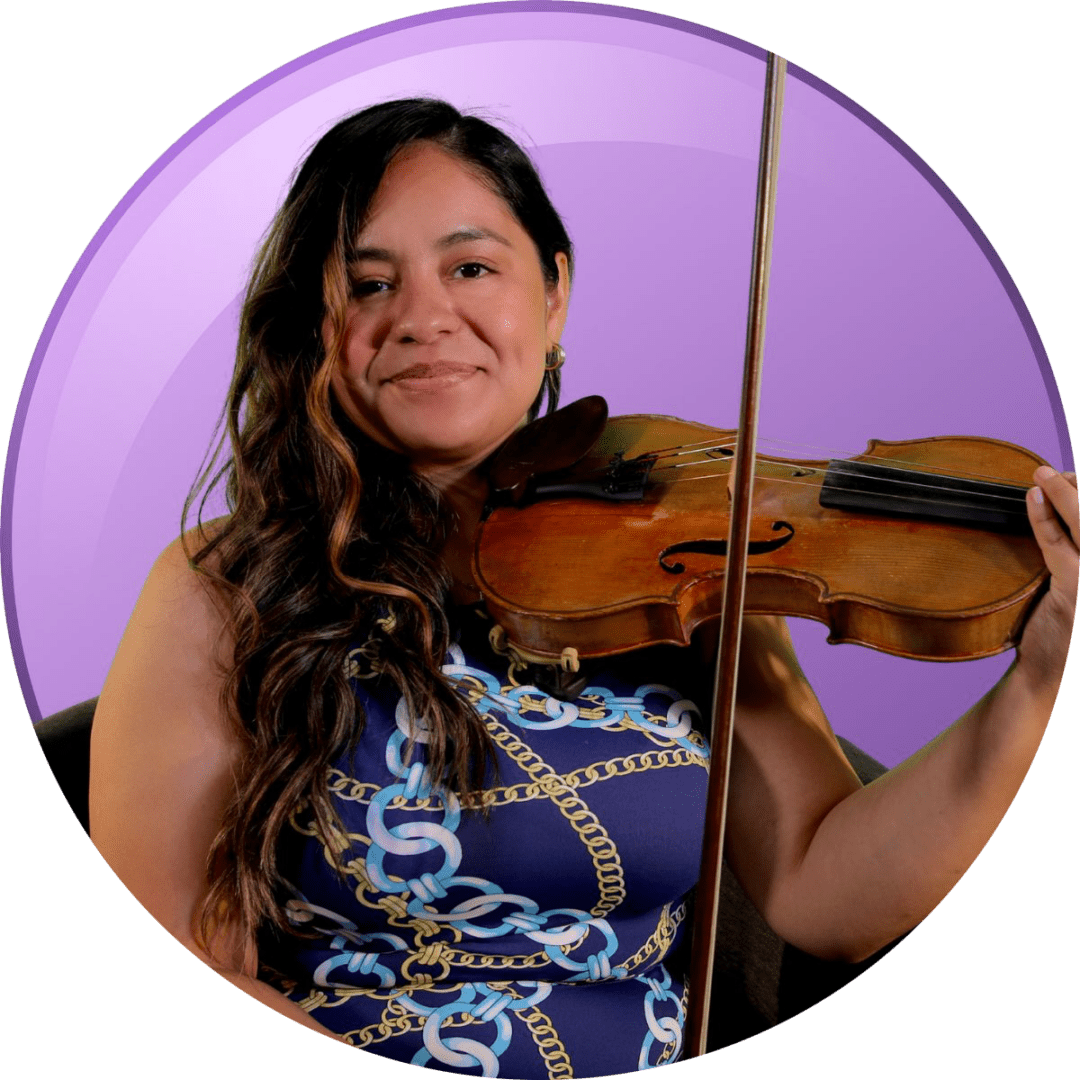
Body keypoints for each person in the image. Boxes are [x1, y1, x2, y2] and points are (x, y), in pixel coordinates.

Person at [88, 99, 1077, 1076]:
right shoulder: (222, 588)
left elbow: (826, 891)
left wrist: (1035, 682)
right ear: (318, 322)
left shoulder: (682, 558)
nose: (424, 317)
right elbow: (172, 966)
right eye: (370, 283)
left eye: (471, 267)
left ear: (554, 293)